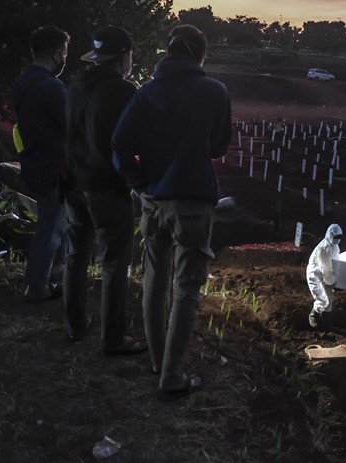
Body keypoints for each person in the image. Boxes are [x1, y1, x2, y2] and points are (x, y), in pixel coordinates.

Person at [113, 24, 232, 399]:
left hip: (153, 201)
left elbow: (119, 142)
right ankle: (172, 374)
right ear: (201, 55)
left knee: (154, 280)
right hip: (193, 204)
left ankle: (157, 361)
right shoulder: (214, 91)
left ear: (167, 53)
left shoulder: (147, 93)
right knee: (186, 288)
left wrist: (140, 184)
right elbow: (217, 147)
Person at [63, 25, 145, 356]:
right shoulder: (124, 91)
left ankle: (74, 325)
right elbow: (135, 140)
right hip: (107, 187)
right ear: (123, 56)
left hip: (74, 183)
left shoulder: (76, 86)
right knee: (114, 262)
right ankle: (113, 338)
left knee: (76, 256)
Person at [12, 26, 70, 301]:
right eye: (65, 53)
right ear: (58, 53)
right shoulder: (53, 87)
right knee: (51, 225)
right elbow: (70, 127)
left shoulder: (23, 81)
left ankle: (58, 270)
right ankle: (37, 285)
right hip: (53, 165)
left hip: (34, 161)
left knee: (59, 220)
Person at [305, 224, 342, 329]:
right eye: (336, 238)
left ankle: (326, 323)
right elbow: (325, 269)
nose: (337, 240)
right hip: (315, 275)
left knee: (329, 300)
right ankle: (314, 318)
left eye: (339, 238)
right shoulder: (324, 248)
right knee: (322, 300)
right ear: (330, 236)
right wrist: (333, 281)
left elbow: (334, 263)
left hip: (326, 274)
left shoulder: (334, 246)